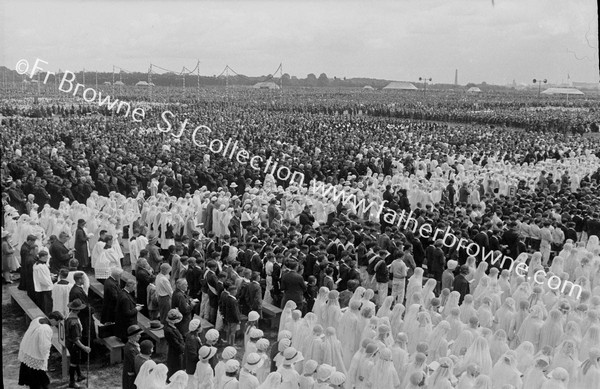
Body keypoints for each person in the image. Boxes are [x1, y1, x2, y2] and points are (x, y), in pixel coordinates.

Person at [18, 311, 64, 389]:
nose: (57, 324)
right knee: (39, 383)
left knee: (35, 382)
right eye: (57, 322)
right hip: (36, 357)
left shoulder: (37, 319)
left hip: (27, 352)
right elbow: (44, 347)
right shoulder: (46, 329)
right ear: (53, 319)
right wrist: (45, 361)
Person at [65, 299, 91, 388]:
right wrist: (84, 347)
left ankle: (79, 375)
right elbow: (76, 339)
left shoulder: (69, 315)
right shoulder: (74, 322)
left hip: (69, 341)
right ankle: (72, 382)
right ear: (78, 310)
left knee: (76, 360)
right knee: (73, 362)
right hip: (74, 344)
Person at [69, 271, 95, 346]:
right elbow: (82, 305)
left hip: (83, 315)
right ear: (79, 280)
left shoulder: (77, 289)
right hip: (83, 316)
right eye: (83, 279)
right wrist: (91, 310)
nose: (84, 280)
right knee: (87, 333)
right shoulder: (77, 291)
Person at [116, 278, 143, 343]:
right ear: (131, 286)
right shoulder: (125, 298)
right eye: (134, 287)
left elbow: (126, 305)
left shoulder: (122, 292)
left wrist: (135, 305)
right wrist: (137, 309)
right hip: (127, 324)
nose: (134, 289)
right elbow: (127, 313)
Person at [165, 308, 185, 379]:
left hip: (176, 351)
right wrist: (183, 350)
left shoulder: (172, 327)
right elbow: (176, 344)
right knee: (175, 369)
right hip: (175, 353)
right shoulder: (169, 330)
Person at [32, 250, 54, 315]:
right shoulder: (39, 266)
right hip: (45, 287)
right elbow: (42, 279)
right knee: (46, 303)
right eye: (46, 257)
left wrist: (50, 275)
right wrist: (50, 280)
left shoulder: (38, 264)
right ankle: (47, 314)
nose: (47, 258)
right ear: (42, 257)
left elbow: (44, 274)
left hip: (44, 286)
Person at [123, 324, 144, 389]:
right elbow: (135, 361)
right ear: (133, 336)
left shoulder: (134, 344)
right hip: (131, 373)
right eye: (138, 334)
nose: (140, 336)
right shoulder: (130, 349)